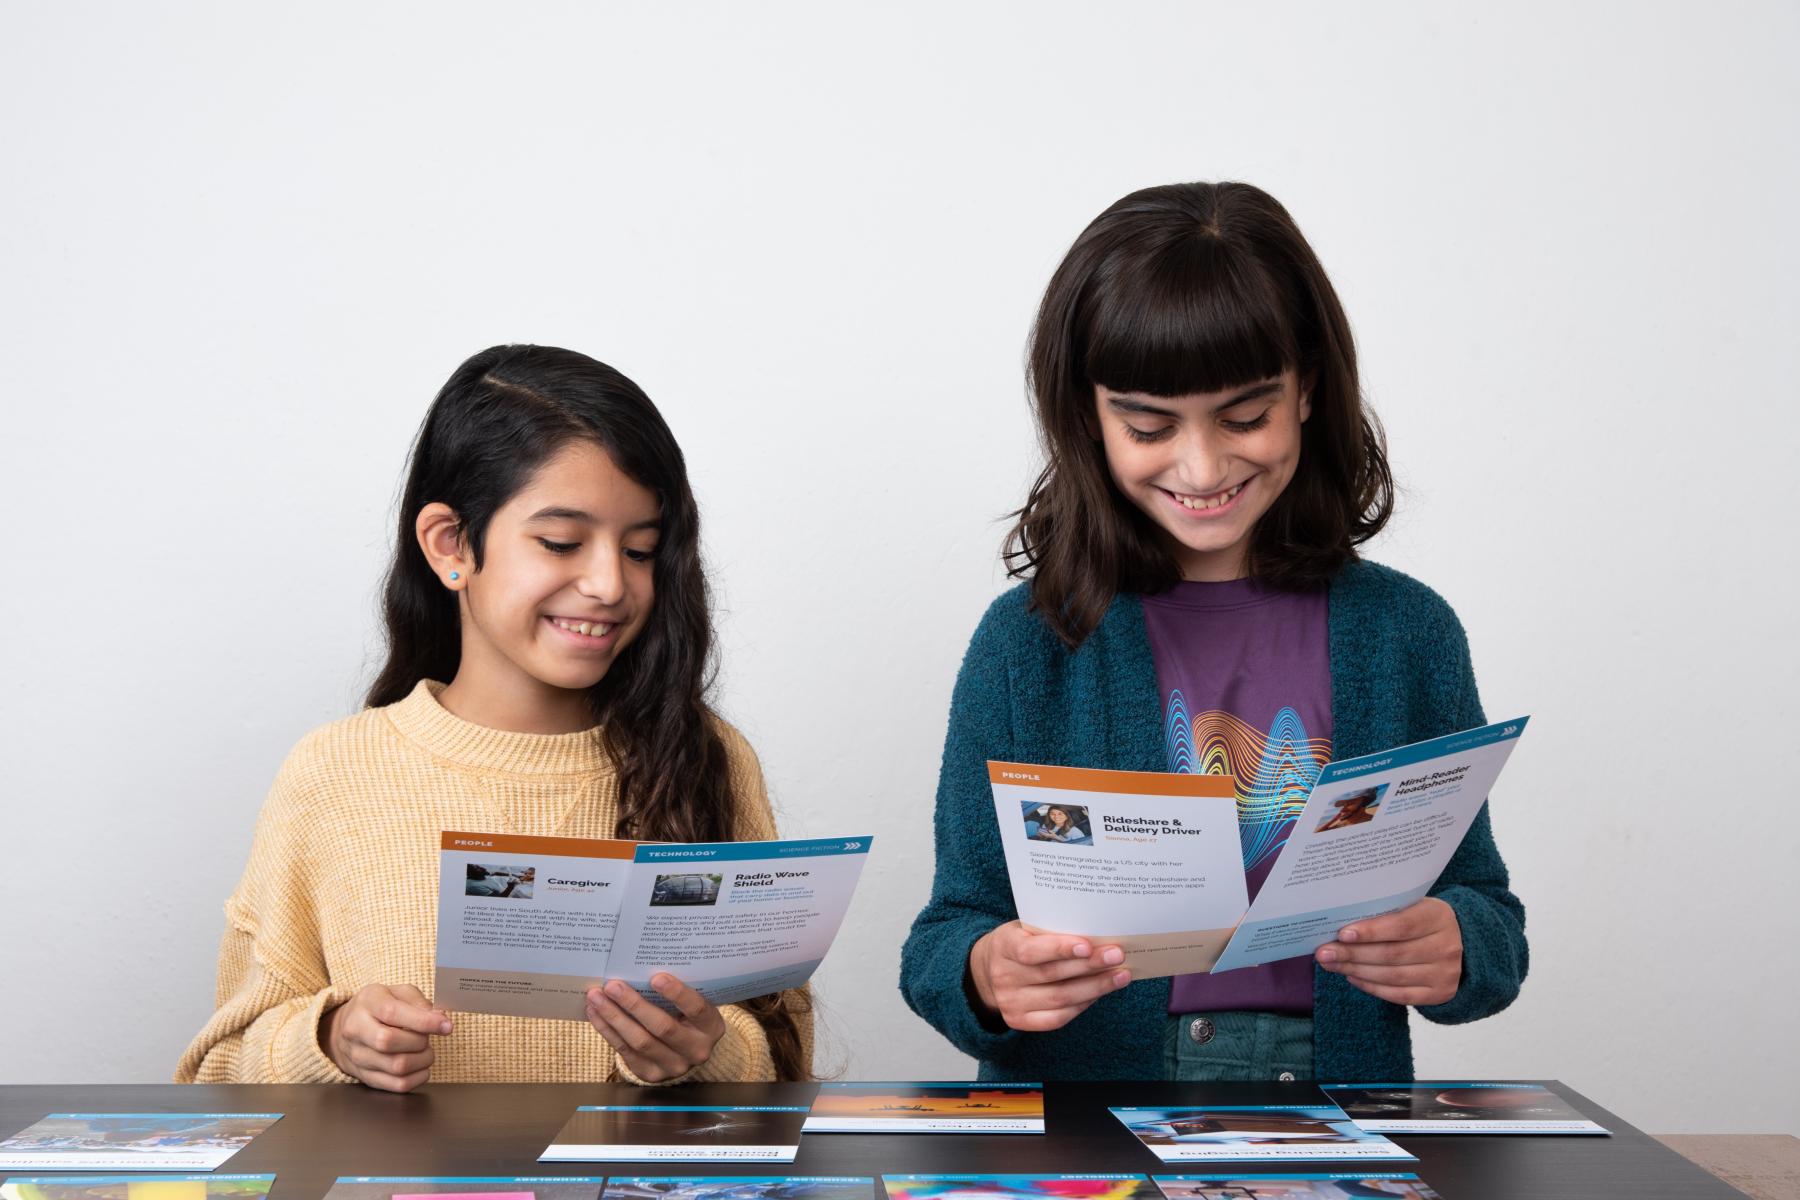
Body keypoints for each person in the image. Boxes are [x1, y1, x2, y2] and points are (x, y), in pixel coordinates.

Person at [900, 182, 1527, 1082]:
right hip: (1087, 1112)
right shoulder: (1027, 642)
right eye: (1150, 425)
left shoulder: (1405, 633)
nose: (1203, 466)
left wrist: (1461, 943)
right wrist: (987, 972)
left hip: (1331, 1097)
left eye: (1245, 417)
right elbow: (943, 938)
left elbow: (1487, 910)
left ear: (1307, 389)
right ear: (1089, 416)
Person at [176, 345, 810, 1090]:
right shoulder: (334, 775)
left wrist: (705, 1052)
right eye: (561, 542)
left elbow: (781, 1059)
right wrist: (330, 1038)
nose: (610, 584)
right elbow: (216, 1077)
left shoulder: (706, 756)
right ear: (451, 545)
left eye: (641, 550)